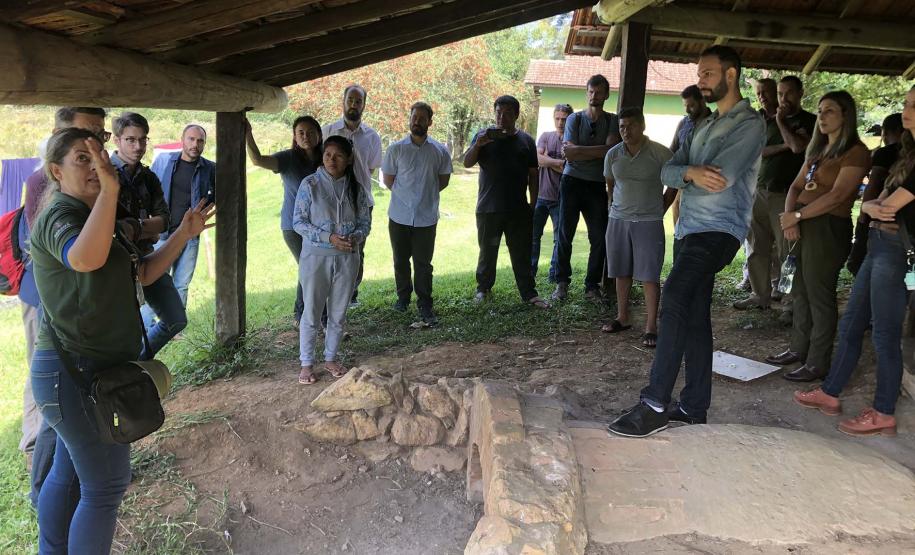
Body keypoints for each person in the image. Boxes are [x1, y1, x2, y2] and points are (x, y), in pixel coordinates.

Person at [29, 127, 213, 554]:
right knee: (106, 485)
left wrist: (183, 234)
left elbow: (143, 273)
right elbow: (83, 258)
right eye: (81, 159)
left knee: (70, 473)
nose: (95, 167)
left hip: (85, 371)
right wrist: (111, 191)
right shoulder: (62, 214)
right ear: (56, 171)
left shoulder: (97, 216)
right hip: (73, 373)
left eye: (97, 157)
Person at [608, 45, 765, 438]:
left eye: (708, 73)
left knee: (674, 298)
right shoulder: (701, 125)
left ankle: (655, 403)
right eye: (700, 73)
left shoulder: (750, 125)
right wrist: (690, 171)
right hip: (688, 231)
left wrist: (688, 172)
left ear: (731, 75)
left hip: (718, 231)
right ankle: (694, 408)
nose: (700, 81)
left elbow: (722, 176)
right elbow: (669, 168)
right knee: (695, 318)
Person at [793, 85, 915, 436]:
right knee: (850, 326)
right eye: (905, 102)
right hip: (879, 246)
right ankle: (830, 394)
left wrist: (874, 207)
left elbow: (885, 206)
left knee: (885, 334)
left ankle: (884, 411)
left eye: (913, 105)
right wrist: (875, 207)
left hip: (895, 251)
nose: (906, 110)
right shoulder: (905, 153)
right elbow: (874, 205)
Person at [22, 106, 109, 508]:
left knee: (69, 426)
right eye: (88, 134)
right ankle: (40, 489)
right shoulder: (45, 183)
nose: (97, 144)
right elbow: (80, 255)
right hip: (53, 309)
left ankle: (55, 494)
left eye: (101, 135)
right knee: (54, 417)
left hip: (81, 320)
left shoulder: (95, 176)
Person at [767, 91, 871, 381]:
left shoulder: (856, 151)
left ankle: (817, 361)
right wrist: (790, 219)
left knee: (819, 295)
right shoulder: (818, 150)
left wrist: (798, 216)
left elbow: (839, 195)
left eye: (830, 111)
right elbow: (795, 186)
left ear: (845, 116)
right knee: (799, 290)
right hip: (801, 224)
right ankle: (798, 348)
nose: (822, 116)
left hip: (827, 227)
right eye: (820, 110)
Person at [294, 135, 371, 385]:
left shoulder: (356, 187)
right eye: (327, 154)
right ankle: (306, 363)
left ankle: (331, 358)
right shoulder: (310, 184)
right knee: (312, 311)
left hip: (347, 258)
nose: (331, 160)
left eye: (338, 155)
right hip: (316, 258)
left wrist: (355, 237)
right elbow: (299, 222)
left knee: (338, 313)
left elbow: (365, 222)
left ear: (348, 159)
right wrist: (329, 237)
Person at [734, 76, 816, 312]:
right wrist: (783, 145)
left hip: (787, 195)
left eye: (789, 93)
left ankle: (790, 300)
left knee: (787, 252)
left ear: (800, 93)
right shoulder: (764, 121)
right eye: (780, 94)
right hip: (759, 191)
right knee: (756, 248)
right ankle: (760, 296)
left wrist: (781, 122)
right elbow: (756, 150)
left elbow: (800, 147)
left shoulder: (809, 120)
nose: (783, 98)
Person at [463, 95, 550, 309]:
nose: (502, 117)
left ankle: (529, 293)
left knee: (521, 253)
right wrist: (478, 145)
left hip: (518, 209)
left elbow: (533, 175)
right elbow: (466, 162)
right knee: (487, 252)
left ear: (516, 115)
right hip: (488, 208)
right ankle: (483, 289)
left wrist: (533, 203)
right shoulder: (483, 137)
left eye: (507, 113)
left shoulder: (526, 141)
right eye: (498, 113)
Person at [600, 107, 675, 348]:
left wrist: (660, 209)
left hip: (649, 221)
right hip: (618, 220)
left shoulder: (661, 153)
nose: (626, 131)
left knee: (649, 275)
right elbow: (610, 183)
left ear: (642, 126)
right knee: (621, 271)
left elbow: (674, 185)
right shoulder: (613, 154)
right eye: (622, 126)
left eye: (630, 125)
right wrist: (613, 207)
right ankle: (623, 317)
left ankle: (651, 326)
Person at [110, 112, 182, 358]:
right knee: (124, 333)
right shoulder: (103, 176)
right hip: (115, 267)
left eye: (143, 139)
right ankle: (131, 373)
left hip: (146, 257)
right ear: (116, 140)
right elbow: (111, 230)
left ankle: (141, 363)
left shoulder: (148, 177)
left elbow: (164, 220)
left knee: (175, 319)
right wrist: (144, 227)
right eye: (130, 139)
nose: (138, 146)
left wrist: (135, 227)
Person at [245, 115, 322, 327]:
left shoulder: (326, 157)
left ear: (319, 134)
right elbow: (258, 160)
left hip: (320, 226)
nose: (306, 136)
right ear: (295, 137)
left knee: (312, 267)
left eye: (310, 132)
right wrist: (248, 134)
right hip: (293, 226)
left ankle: (308, 314)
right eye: (301, 133)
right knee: (308, 266)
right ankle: (302, 315)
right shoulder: (287, 158)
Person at [553, 74, 622, 302]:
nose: (595, 96)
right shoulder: (574, 119)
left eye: (599, 92)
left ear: (606, 94)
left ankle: (592, 286)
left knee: (599, 237)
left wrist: (580, 151)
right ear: (587, 93)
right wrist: (601, 150)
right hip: (571, 182)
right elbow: (569, 153)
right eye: (591, 91)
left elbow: (610, 150)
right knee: (565, 233)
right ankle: (562, 284)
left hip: (596, 184)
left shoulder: (612, 120)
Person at [382, 101, 452, 324]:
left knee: (423, 264)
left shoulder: (439, 151)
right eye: (414, 117)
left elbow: (443, 181)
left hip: (426, 217)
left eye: (422, 118)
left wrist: (424, 195)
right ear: (409, 118)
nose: (417, 121)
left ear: (430, 122)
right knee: (400, 260)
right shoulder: (396, 149)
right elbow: (388, 180)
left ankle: (425, 303)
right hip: (399, 216)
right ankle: (403, 298)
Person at [322, 85, 382, 306]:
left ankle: (351, 295)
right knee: (332, 246)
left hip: (361, 201)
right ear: (343, 101)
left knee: (356, 248)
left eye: (358, 101)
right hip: (331, 200)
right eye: (350, 100)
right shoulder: (328, 131)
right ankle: (330, 294)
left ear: (364, 105)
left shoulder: (372, 137)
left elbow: (371, 169)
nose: (354, 105)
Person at [146, 124, 215, 310]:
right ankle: (150, 324)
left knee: (181, 284)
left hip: (190, 236)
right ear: (182, 140)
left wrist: (204, 214)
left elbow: (219, 197)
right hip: (163, 233)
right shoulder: (164, 161)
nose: (195, 144)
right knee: (154, 280)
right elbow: (148, 189)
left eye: (200, 141)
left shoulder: (209, 169)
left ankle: (175, 328)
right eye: (191, 139)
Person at [847, 113, 904, 275]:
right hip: (896, 215)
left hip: (878, 212)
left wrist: (863, 215)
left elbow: (874, 183)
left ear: (887, 132)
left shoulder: (886, 153)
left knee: (859, 261)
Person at [532, 103, 572, 282]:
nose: (560, 122)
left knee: (559, 240)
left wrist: (547, 160)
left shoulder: (572, 142)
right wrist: (557, 163)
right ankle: (529, 273)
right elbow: (537, 159)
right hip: (540, 196)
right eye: (557, 118)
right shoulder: (546, 136)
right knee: (533, 237)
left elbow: (569, 168)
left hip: (560, 199)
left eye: (564, 119)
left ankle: (554, 275)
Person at [669, 86, 713, 239]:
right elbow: (672, 150)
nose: (688, 110)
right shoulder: (683, 123)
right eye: (685, 106)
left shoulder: (715, 124)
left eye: (691, 105)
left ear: (702, 101)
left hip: (702, 187)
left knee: (699, 233)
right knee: (679, 231)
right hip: (680, 183)